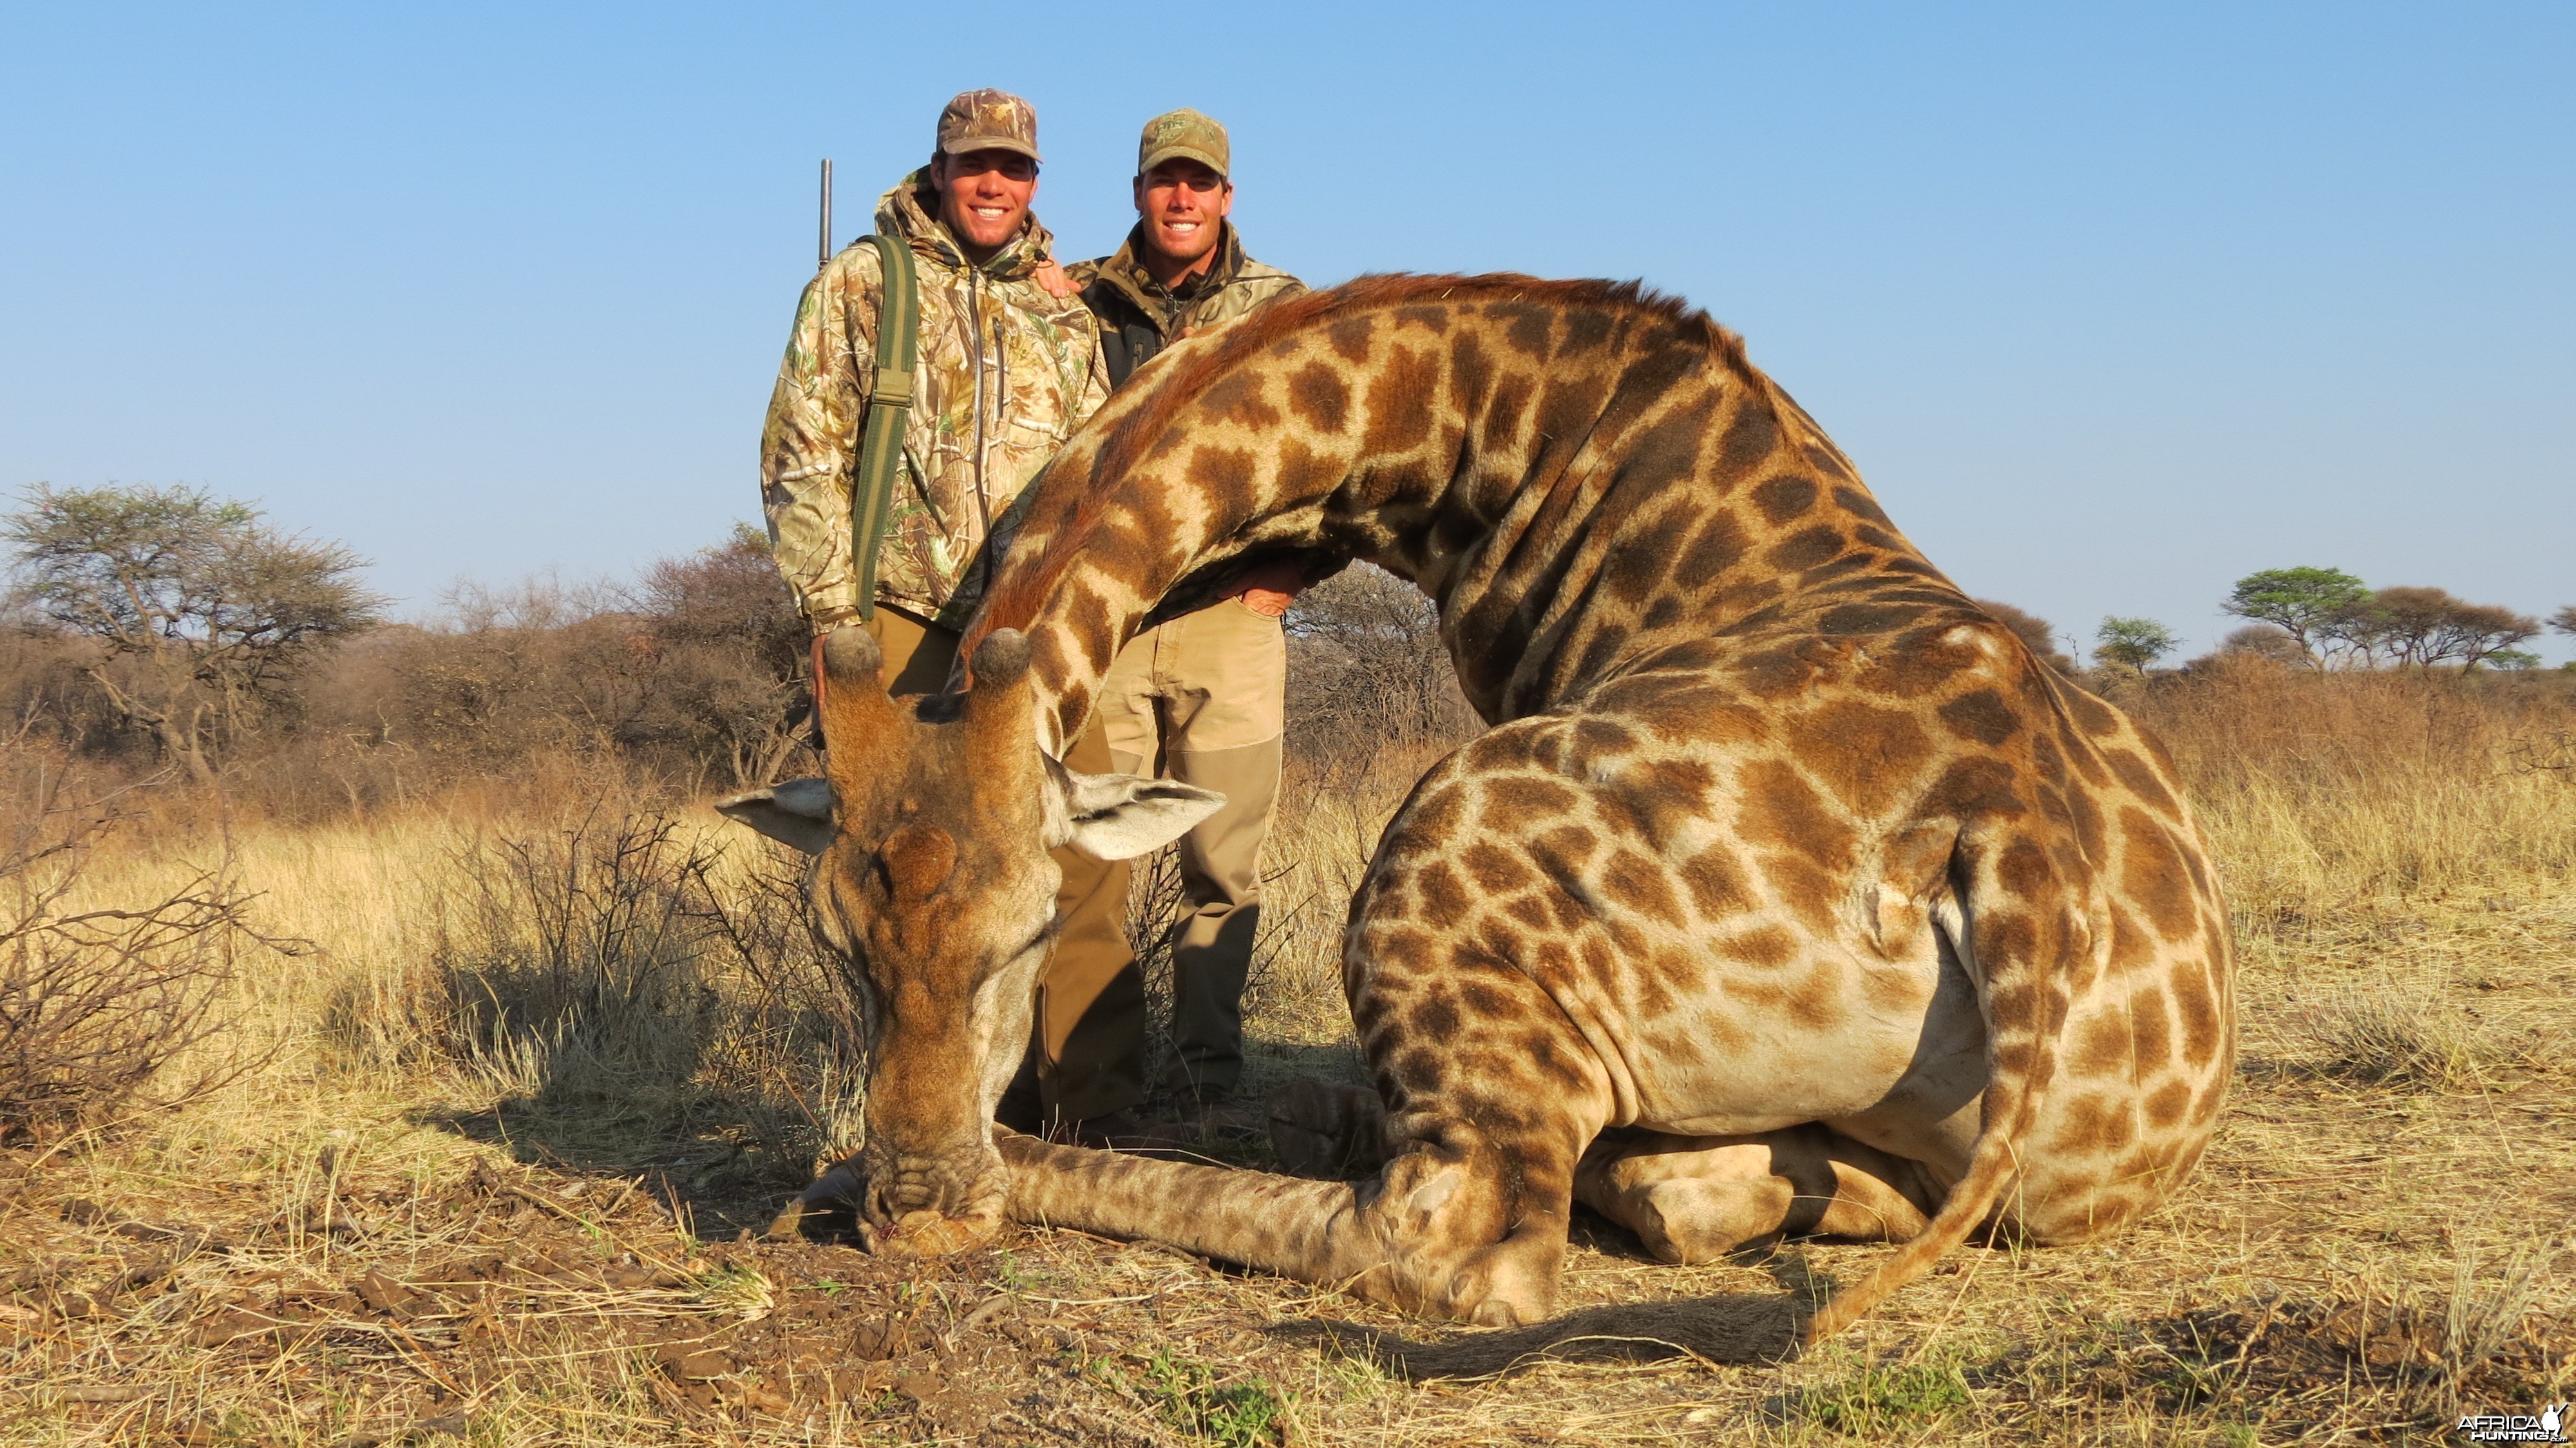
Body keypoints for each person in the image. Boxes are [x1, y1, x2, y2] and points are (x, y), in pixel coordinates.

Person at [758, 89, 1155, 1147]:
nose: (994, 184)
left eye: (1014, 168)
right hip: (896, 616)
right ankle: (913, 1123)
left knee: (1076, 860)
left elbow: (1094, 481)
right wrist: (830, 621)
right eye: (974, 164)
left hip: (1031, 638)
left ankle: (1087, 1120)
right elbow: (803, 454)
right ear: (937, 169)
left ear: (1035, 181)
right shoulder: (858, 281)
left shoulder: (1062, 307)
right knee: (901, 886)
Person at [1069, 110, 1309, 1138]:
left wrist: (1289, 573)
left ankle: (1210, 1081)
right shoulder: (1073, 297)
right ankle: (1096, 1088)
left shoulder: (1286, 308)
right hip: (1111, 626)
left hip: (1229, 623)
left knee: (1222, 864)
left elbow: (1332, 450)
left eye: (1201, 183)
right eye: (1165, 181)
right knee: (1092, 869)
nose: (1182, 198)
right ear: (1138, 192)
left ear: (1227, 197)